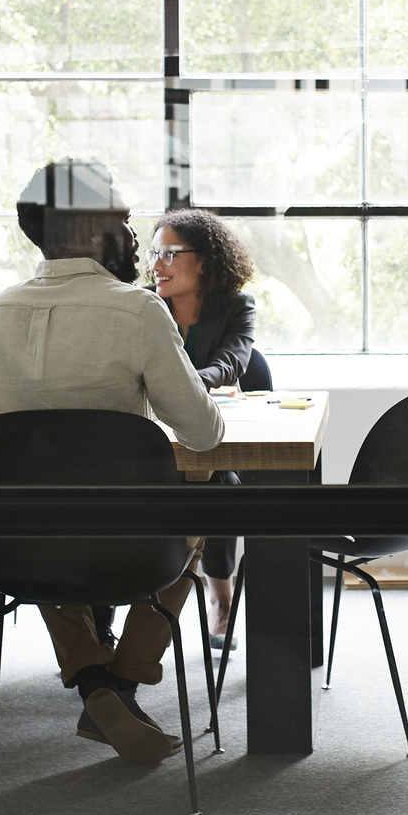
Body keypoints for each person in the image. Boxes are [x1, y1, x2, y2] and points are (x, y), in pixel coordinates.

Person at [0, 160, 226, 766]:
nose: (128, 220)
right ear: (88, 227)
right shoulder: (137, 311)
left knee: (36, 507)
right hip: (131, 542)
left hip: (22, 545)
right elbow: (203, 434)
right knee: (219, 487)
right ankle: (124, 682)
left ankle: (92, 679)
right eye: (116, 208)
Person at [147, 208, 258, 646]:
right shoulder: (144, 306)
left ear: (205, 261)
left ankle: (221, 598)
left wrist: (185, 384)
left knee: (221, 481)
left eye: (170, 254)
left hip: (213, 429)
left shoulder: (236, 306)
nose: (156, 266)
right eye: (154, 254)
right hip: (156, 432)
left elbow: (233, 362)